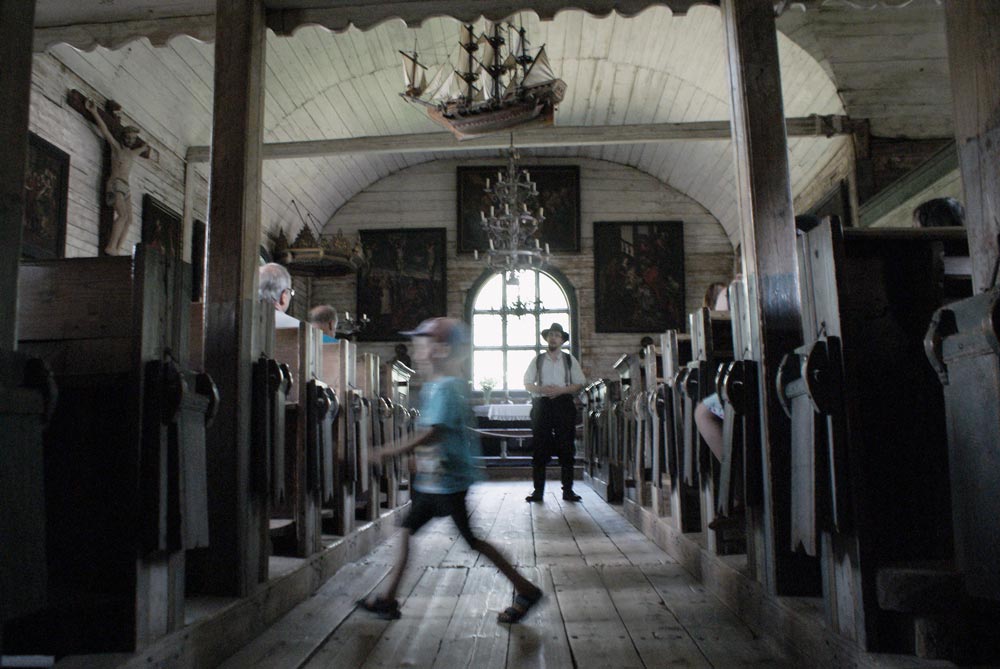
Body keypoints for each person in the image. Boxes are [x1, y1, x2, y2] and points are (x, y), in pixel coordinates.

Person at [358, 318, 542, 623]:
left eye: (422, 343)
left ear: (441, 350)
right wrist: (415, 458)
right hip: (434, 481)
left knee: (471, 541)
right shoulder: (440, 386)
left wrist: (388, 451)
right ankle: (388, 599)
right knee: (406, 531)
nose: (417, 349)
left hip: (448, 482)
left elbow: (434, 432)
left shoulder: (445, 387)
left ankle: (526, 589)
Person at [523, 323, 586, 503]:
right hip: (541, 405)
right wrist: (542, 389)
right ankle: (538, 492)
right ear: (547, 338)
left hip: (564, 404)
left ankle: (568, 491)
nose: (553, 338)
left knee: (566, 447)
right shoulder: (538, 360)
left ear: (562, 339)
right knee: (539, 447)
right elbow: (527, 383)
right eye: (550, 335)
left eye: (557, 335)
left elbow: (579, 382)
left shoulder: (569, 360)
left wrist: (561, 391)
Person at [83, 98, 150, 256]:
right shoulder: (116, 148)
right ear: (123, 137)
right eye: (128, 137)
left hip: (126, 188)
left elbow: (143, 149)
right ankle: (111, 246)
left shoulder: (132, 153)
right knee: (122, 215)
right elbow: (105, 130)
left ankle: (118, 248)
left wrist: (146, 147)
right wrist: (94, 111)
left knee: (130, 220)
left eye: (133, 139)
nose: (130, 140)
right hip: (116, 183)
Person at [693, 282, 730, 464]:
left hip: (740, 390)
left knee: (702, 412)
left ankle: (730, 472)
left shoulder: (714, 324)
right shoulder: (731, 294)